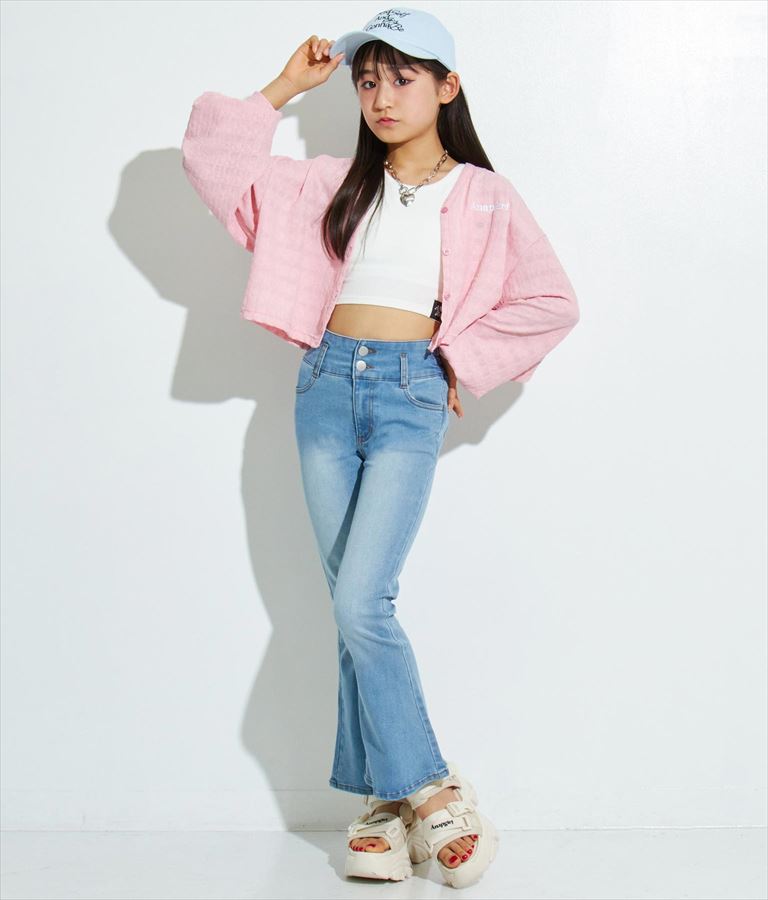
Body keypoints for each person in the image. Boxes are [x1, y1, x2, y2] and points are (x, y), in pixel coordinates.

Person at [181, 6, 579, 889]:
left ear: (448, 86)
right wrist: (286, 87)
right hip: (324, 389)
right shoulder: (328, 183)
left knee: (363, 601)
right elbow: (212, 162)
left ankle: (425, 789)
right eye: (367, 81)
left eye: (402, 78)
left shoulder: (484, 195)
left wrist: (461, 362)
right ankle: (390, 803)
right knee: (351, 606)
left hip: (410, 394)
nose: (381, 97)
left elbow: (553, 301)